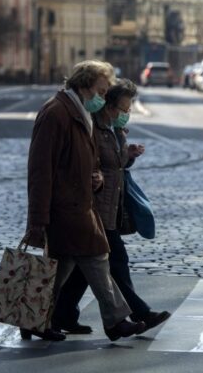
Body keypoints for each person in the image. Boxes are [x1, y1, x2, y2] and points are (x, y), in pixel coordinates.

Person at [25, 61, 147, 342]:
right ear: (82, 85)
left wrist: (98, 178)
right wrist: (37, 220)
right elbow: (40, 170)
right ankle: (116, 320)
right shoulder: (56, 113)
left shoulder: (80, 113)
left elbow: (91, 162)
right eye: (100, 92)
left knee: (62, 268)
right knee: (97, 257)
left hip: (80, 206)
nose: (103, 99)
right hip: (64, 209)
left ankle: (33, 317)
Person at [52, 79, 171, 335]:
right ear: (108, 105)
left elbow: (115, 166)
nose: (125, 115)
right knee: (114, 261)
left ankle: (62, 314)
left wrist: (128, 156)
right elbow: (86, 165)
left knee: (80, 269)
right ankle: (137, 313)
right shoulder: (92, 127)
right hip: (94, 210)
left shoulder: (115, 131)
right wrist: (96, 176)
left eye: (128, 110)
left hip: (110, 209)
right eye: (122, 109)